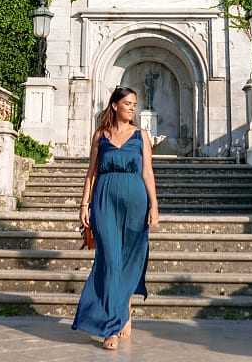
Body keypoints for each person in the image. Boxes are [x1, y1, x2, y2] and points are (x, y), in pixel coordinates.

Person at [72, 86, 159, 350]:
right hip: (104, 200)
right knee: (110, 261)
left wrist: (154, 205)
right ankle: (111, 327)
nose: (133, 108)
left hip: (135, 201)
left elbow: (147, 173)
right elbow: (91, 172)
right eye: (128, 104)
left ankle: (124, 310)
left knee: (131, 259)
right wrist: (84, 203)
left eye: (134, 104)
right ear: (115, 105)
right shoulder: (101, 135)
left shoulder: (141, 135)